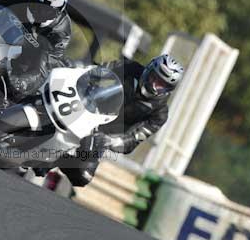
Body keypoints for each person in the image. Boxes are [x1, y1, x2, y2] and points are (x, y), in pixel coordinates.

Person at [59, 54, 185, 186]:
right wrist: (77, 68)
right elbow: (98, 70)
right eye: (154, 78)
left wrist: (112, 141)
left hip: (101, 136)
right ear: (149, 69)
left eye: (161, 85)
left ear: (168, 89)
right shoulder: (129, 67)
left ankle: (57, 159)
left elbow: (134, 139)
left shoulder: (160, 114)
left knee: (82, 177)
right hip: (85, 108)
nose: (154, 85)